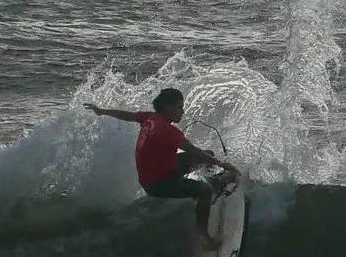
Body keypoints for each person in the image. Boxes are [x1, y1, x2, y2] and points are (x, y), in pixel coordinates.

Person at [89, 87, 240, 242]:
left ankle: (208, 187)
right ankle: (205, 236)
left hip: (153, 175)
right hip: (159, 184)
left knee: (207, 154)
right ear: (168, 107)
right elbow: (192, 149)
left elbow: (126, 115)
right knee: (205, 189)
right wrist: (222, 164)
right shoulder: (167, 131)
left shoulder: (150, 118)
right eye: (179, 107)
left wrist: (102, 111)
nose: (182, 111)